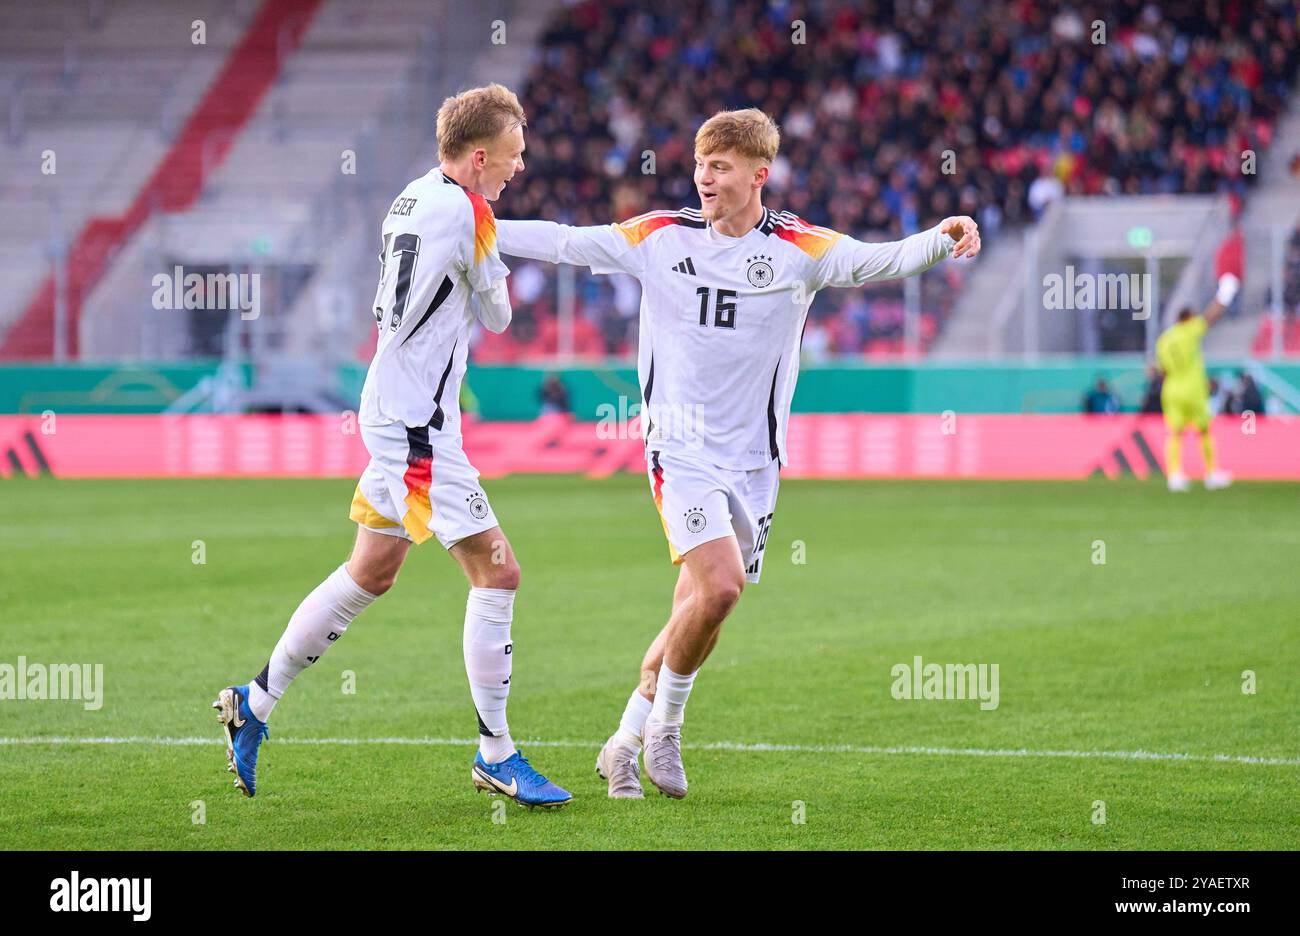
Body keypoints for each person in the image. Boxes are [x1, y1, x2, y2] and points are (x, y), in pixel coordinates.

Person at [497, 108, 979, 799]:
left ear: (760, 175)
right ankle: (667, 730)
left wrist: (943, 234)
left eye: (720, 167)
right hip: (680, 449)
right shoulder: (660, 236)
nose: (704, 178)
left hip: (755, 464)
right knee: (719, 583)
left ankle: (622, 743)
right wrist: (480, 226)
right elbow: (569, 243)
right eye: (700, 165)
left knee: (702, 607)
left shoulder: (798, 248)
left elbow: (879, 261)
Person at [213, 84, 572, 808]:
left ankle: (255, 700)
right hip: (417, 428)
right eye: (512, 155)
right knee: (498, 575)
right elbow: (499, 317)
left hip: (392, 403)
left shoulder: (408, 198)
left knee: (371, 571)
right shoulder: (472, 211)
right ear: (479, 157)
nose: (519, 167)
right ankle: (496, 753)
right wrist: (487, 265)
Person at [1155, 273, 1240, 492]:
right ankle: (1211, 473)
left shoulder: (1164, 339)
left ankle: (1174, 475)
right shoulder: (1189, 331)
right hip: (1192, 389)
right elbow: (1211, 316)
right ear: (1188, 318)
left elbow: (1162, 370)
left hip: (1171, 389)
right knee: (1203, 431)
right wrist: (1225, 294)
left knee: (1175, 433)